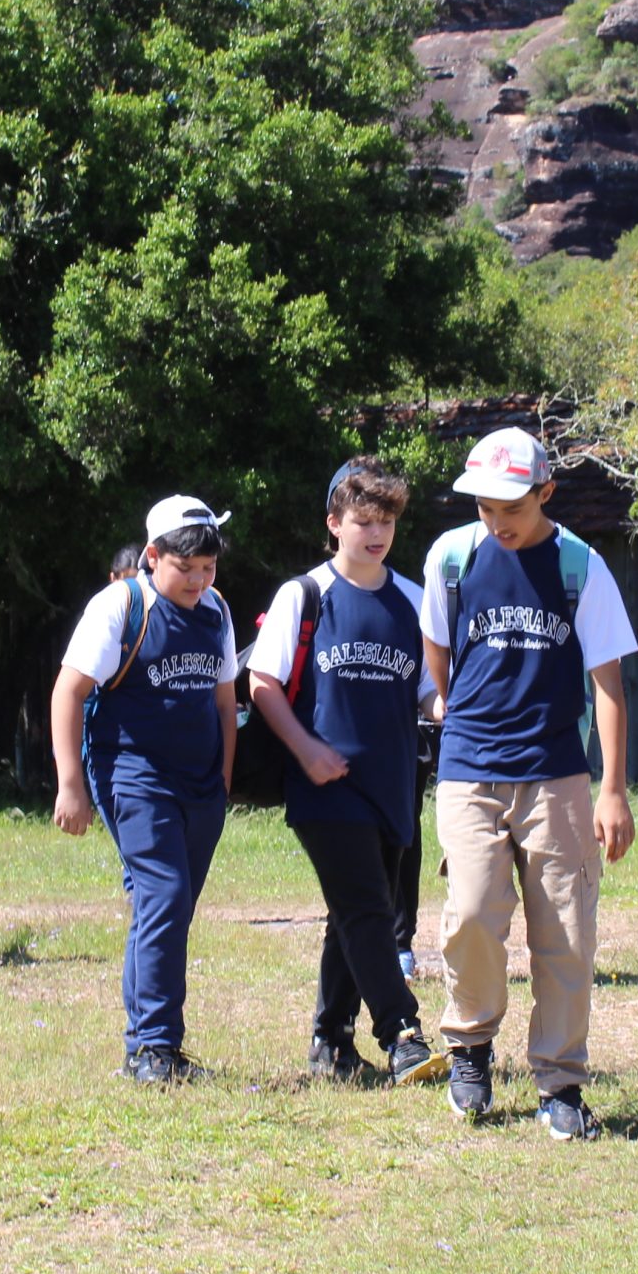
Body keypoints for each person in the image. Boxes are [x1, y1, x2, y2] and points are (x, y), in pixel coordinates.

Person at [420, 427, 638, 1140]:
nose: (497, 520)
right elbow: (439, 651)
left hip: (556, 773)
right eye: (484, 506)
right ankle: (471, 1047)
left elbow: (608, 683)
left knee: (567, 931)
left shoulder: (581, 564)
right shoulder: (452, 556)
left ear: (545, 492)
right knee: (474, 908)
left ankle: (561, 1082)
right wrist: (455, 714)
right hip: (470, 767)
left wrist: (612, 789)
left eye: (510, 506)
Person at [246, 457, 445, 1086]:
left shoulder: (413, 601)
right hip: (324, 787)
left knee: (354, 911)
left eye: (386, 520)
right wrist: (305, 750)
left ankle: (331, 1043)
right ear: (334, 523)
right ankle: (403, 1033)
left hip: (392, 787)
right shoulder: (304, 594)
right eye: (363, 520)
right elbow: (263, 683)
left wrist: (462, 707)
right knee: (367, 909)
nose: (377, 533)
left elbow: (428, 698)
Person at [50, 496, 239, 1084]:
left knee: (167, 908)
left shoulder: (216, 610)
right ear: (152, 557)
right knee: (164, 894)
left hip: (201, 782)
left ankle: (147, 1046)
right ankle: (157, 1048)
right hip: (132, 773)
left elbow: (225, 699)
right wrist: (70, 785)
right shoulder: (120, 606)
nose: (199, 580)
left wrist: (224, 780)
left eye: (208, 568)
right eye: (187, 569)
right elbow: (68, 693)